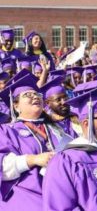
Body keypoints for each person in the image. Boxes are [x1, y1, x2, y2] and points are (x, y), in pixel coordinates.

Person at [0, 74, 72, 210]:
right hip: (26, 197)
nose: (34, 97)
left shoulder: (59, 128)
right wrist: (32, 160)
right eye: (27, 94)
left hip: (63, 193)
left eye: (37, 94)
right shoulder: (6, 131)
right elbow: (2, 166)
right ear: (16, 106)